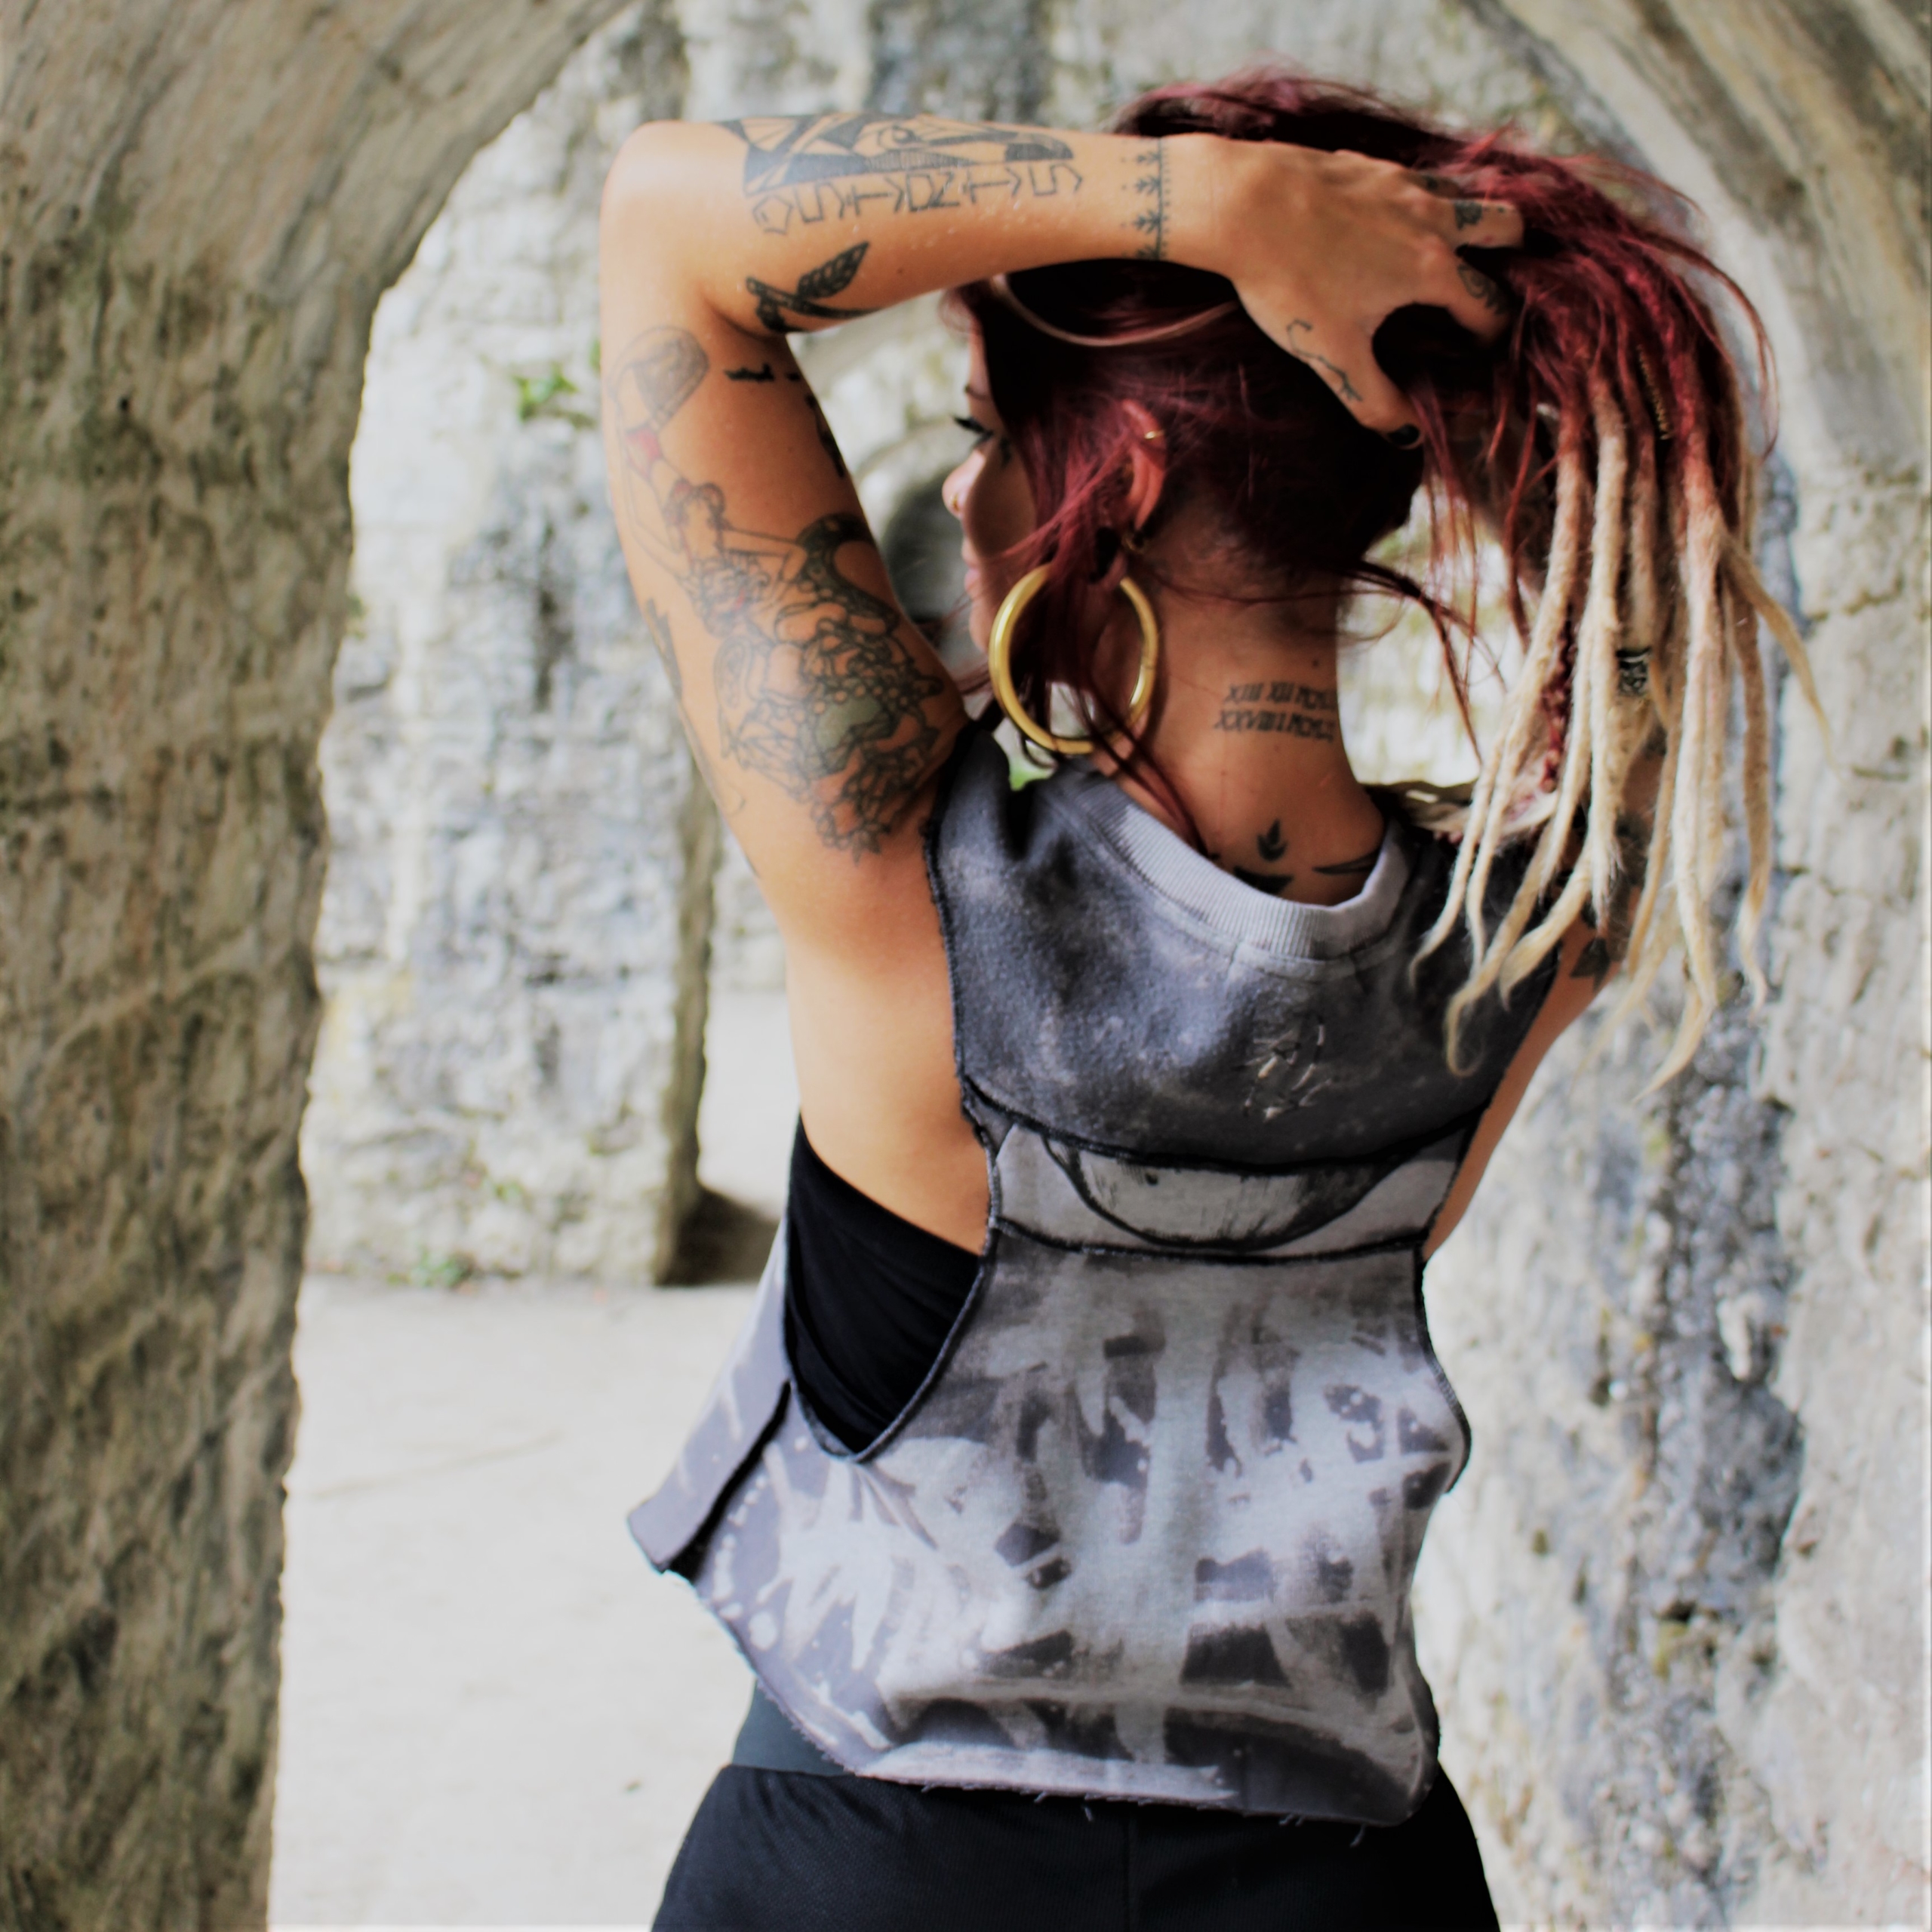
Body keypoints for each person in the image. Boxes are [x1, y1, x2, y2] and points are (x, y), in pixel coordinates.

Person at [598, 73, 1811, 1932]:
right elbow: (1628, 573)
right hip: (1341, 1887)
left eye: (988, 430)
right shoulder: (1535, 925)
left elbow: (670, 226)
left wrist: (1199, 202)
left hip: (864, 1870)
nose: (965, 486)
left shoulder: (902, 868)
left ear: (1129, 483)